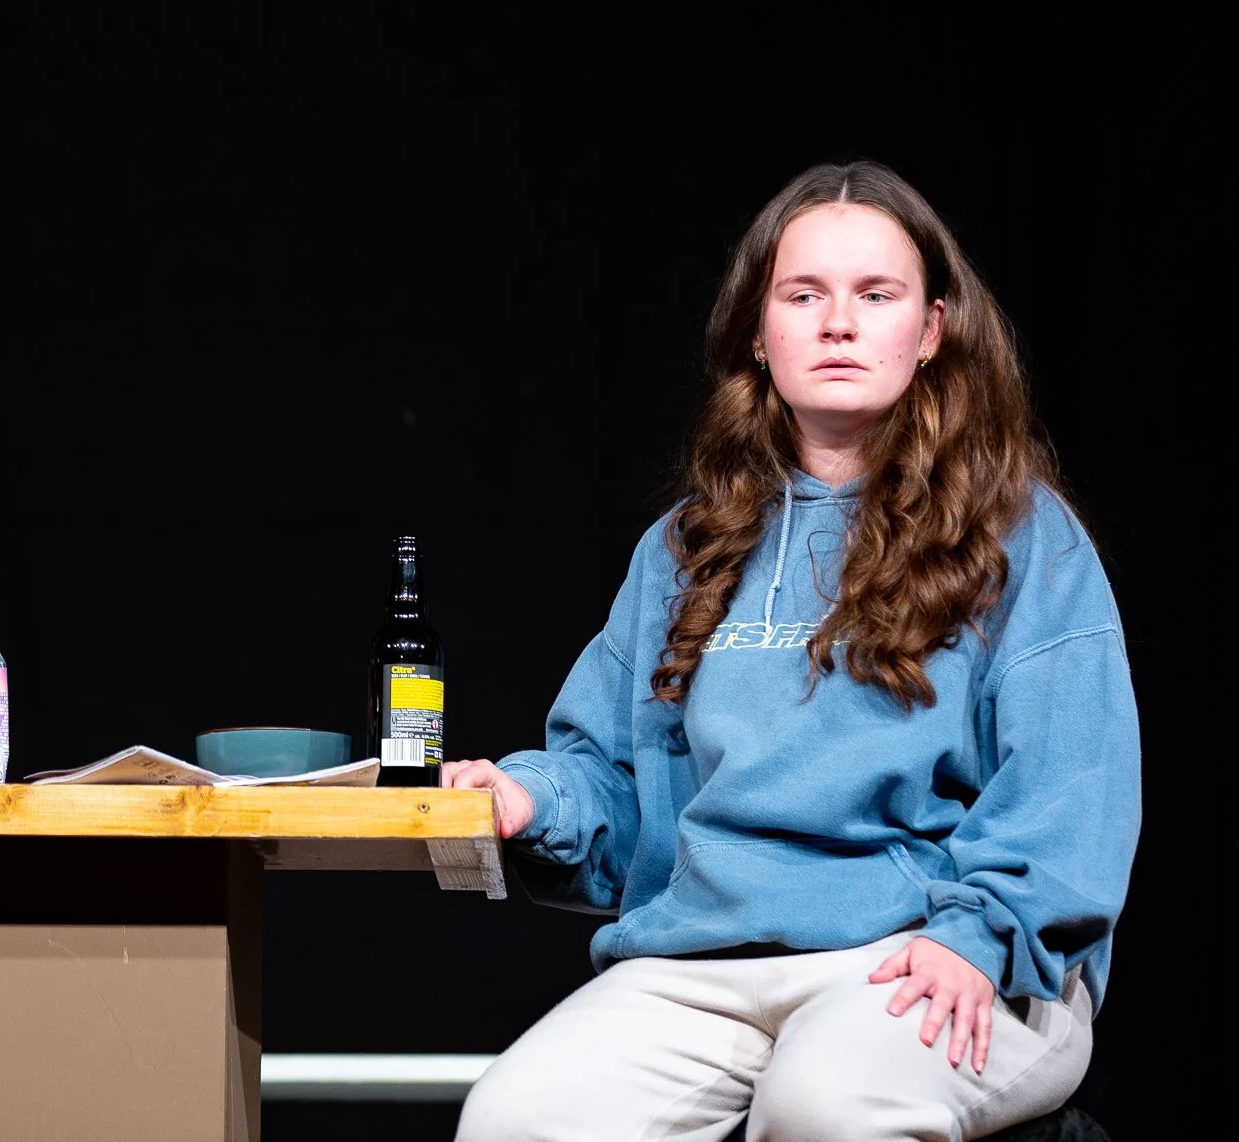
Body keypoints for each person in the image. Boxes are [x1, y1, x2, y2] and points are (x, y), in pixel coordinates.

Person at [445, 161, 1138, 1141]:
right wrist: (529, 799)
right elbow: (615, 780)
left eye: (875, 295)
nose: (838, 323)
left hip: (936, 952)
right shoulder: (686, 548)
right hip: (702, 968)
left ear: (930, 330)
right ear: (756, 333)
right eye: (803, 295)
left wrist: (979, 934)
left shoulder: (1019, 536)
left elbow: (1070, 787)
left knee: (823, 1104)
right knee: (514, 1118)